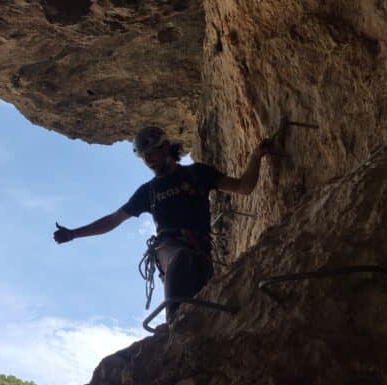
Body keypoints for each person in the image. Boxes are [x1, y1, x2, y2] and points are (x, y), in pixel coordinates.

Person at [53, 126, 274, 321]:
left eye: (151, 152)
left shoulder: (197, 173)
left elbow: (244, 187)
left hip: (201, 251)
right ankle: (172, 323)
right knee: (181, 258)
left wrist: (256, 157)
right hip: (169, 247)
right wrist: (74, 234)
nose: (148, 159)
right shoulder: (148, 192)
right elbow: (113, 220)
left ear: (165, 146)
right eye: (143, 156)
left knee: (201, 299)